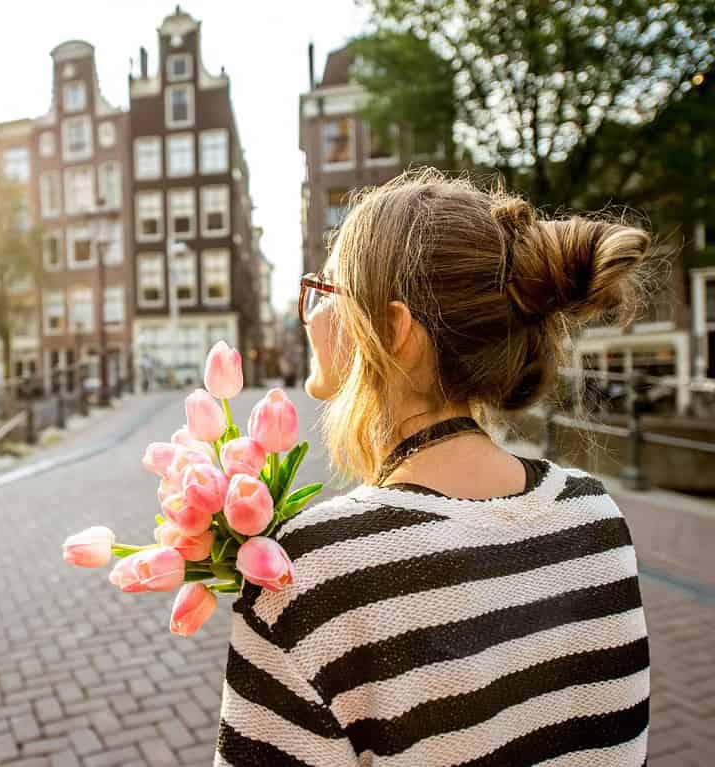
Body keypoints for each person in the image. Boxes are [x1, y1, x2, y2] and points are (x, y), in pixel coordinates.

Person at [214, 169, 650, 766]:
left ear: (395, 331)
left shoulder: (309, 574)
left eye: (326, 292)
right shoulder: (597, 517)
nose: (310, 316)